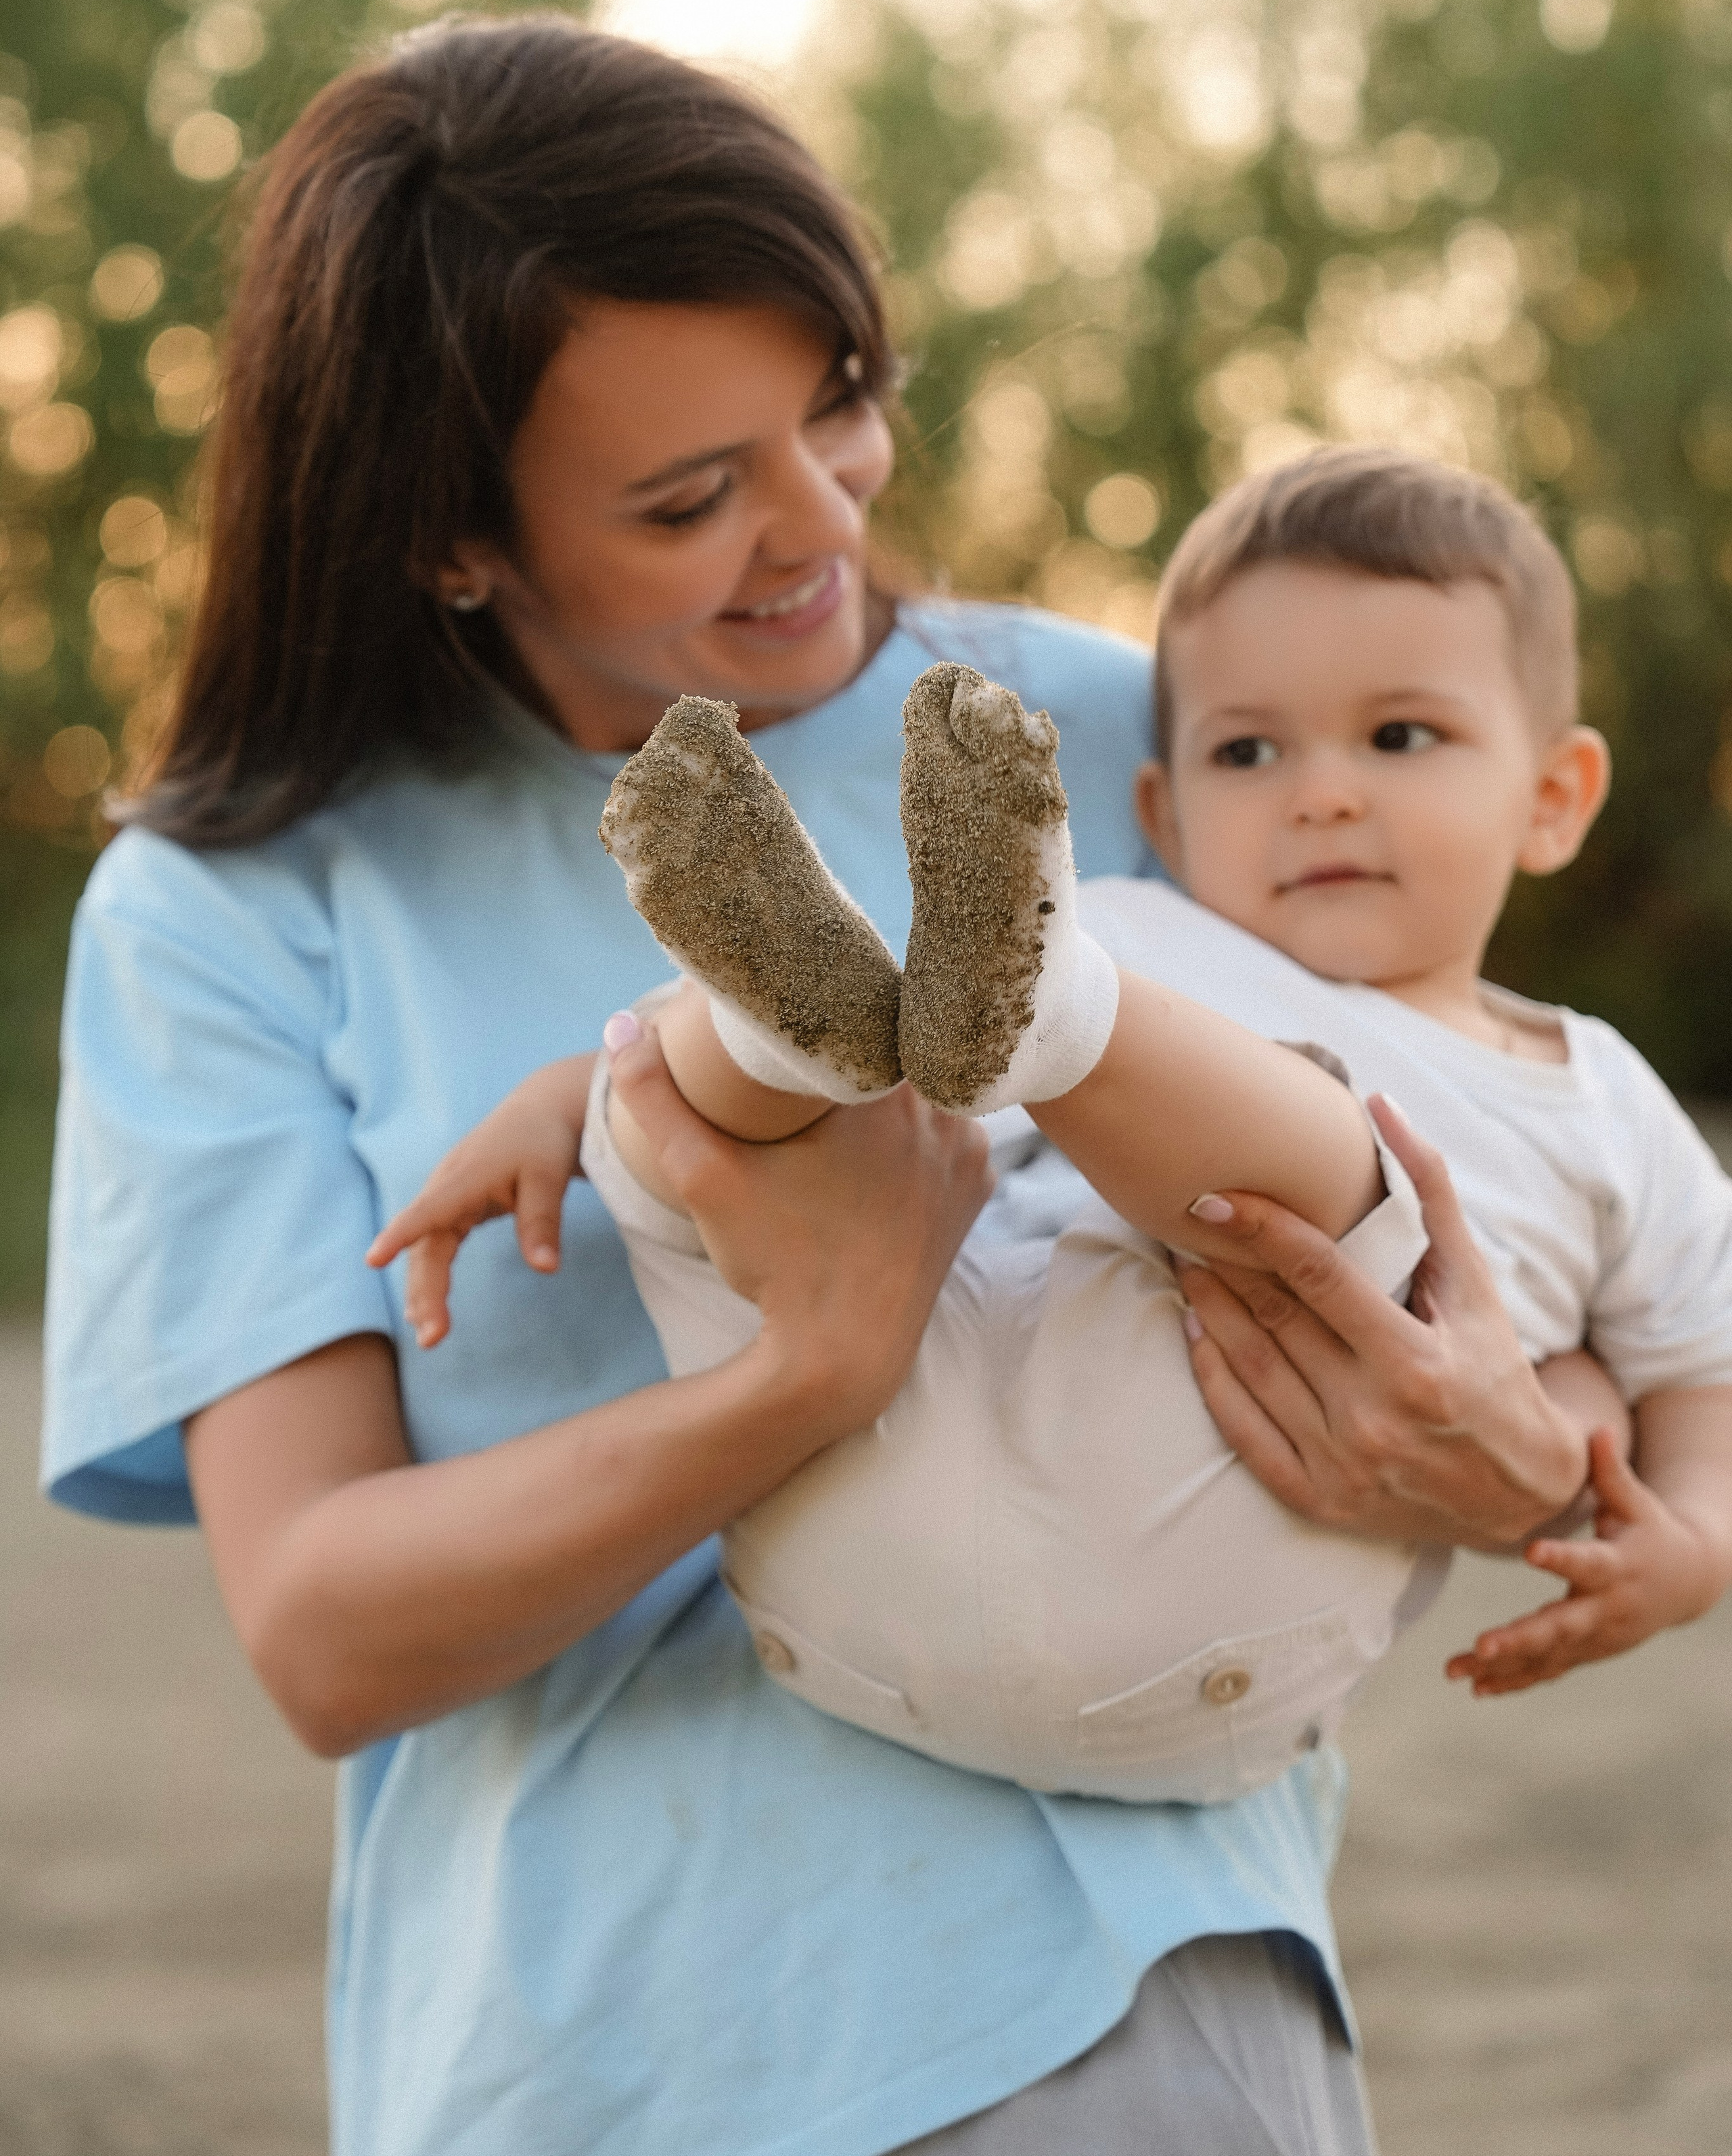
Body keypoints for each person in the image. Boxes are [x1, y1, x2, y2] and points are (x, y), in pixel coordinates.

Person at [41, 18, 1596, 2156]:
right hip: (558, 2128)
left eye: (840, 401)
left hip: (1097, 2022)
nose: (830, 524)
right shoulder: (238, 901)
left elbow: (1485, 1184)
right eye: (690, 501)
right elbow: (324, 1628)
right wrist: (806, 1368)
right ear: (448, 537)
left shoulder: (1124, 736)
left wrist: (1518, 1447)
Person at [375, 449, 1732, 1806]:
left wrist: (1689, 1549)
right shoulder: (1132, 931)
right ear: (1162, 811)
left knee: (1348, 1171)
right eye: (1246, 750)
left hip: (1206, 1601)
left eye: (1397, 737)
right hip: (869, 1506)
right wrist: (575, 1099)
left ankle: (971, 1039)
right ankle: (760, 1032)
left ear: (1550, 796)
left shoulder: (1595, 1092)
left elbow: (1704, 1379)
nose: (1319, 792)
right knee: (741, 1138)